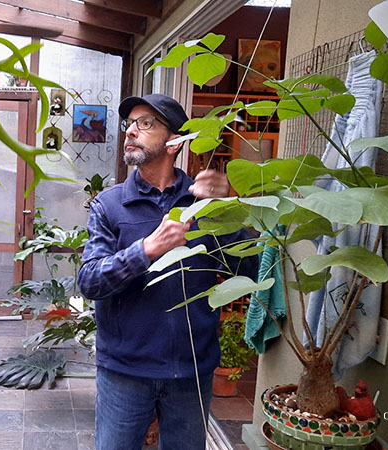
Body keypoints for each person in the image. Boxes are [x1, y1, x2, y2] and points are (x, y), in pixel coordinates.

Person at [78, 94, 257, 450]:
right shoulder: (109, 206)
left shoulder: (202, 203)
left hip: (192, 370)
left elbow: (249, 272)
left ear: (174, 141)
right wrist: (146, 250)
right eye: (130, 123)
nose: (131, 131)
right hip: (125, 372)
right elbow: (90, 281)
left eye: (145, 123)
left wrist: (223, 211)